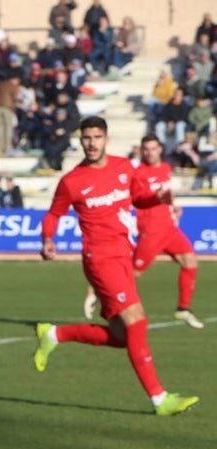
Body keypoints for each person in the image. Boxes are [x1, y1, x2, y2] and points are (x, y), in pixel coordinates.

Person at [34, 117, 199, 416]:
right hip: (100, 259)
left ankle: (55, 334)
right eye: (87, 138)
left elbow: (139, 199)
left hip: (123, 255)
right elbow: (54, 214)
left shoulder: (124, 167)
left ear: (106, 139)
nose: (92, 143)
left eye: (97, 137)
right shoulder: (72, 181)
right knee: (137, 320)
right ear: (81, 141)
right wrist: (47, 239)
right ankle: (160, 399)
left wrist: (156, 198)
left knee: (123, 337)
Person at [82, 135, 203, 329]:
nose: (150, 152)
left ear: (160, 149)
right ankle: (98, 289)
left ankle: (183, 308)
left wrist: (172, 206)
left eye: (153, 148)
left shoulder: (165, 168)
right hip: (152, 230)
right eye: (146, 149)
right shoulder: (138, 173)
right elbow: (137, 197)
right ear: (142, 151)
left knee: (190, 262)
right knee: (132, 273)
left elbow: (166, 195)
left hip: (169, 228)